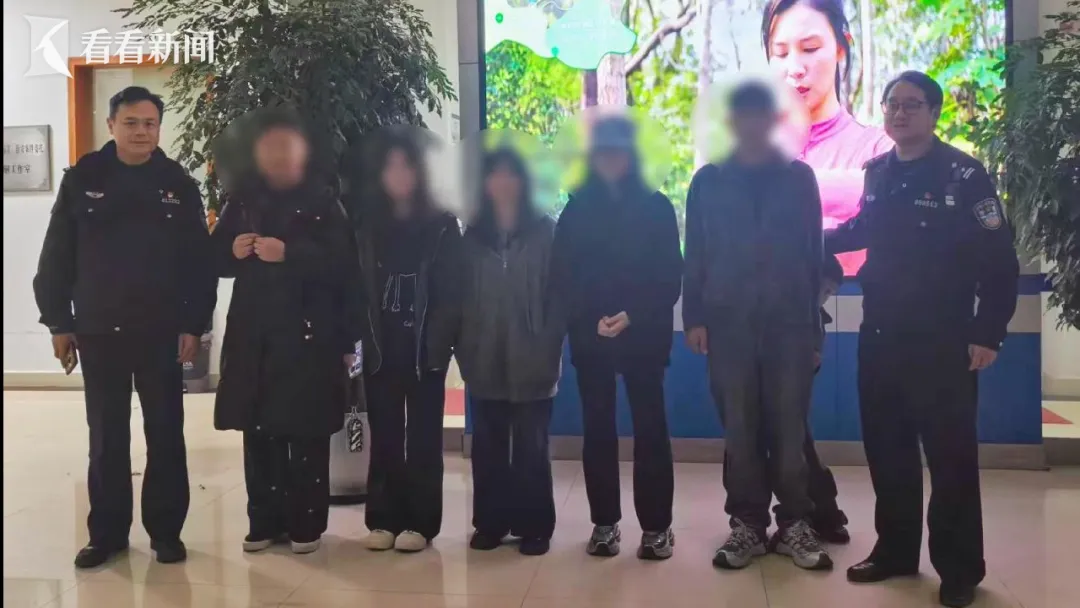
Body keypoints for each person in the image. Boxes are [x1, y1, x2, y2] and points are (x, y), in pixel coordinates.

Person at [827, 71, 1019, 608]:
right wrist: (806, 241)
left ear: (934, 113)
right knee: (887, 451)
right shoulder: (877, 173)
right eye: (892, 104)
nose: (899, 113)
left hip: (943, 340)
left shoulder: (964, 174)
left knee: (950, 458)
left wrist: (988, 332)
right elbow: (861, 230)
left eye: (912, 105)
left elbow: (999, 261)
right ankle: (894, 551)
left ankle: (959, 569)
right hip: (881, 335)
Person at [33, 86, 216, 568]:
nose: (141, 132)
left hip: (162, 331)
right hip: (99, 329)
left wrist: (194, 324)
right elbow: (57, 256)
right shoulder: (83, 179)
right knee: (106, 437)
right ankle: (107, 534)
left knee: (166, 434)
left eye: (149, 123)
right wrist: (59, 322)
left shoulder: (177, 184)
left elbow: (199, 262)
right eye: (131, 123)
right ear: (111, 125)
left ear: (159, 128)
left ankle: (166, 533)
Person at [683, 81, 831, 571]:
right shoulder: (708, 181)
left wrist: (813, 331)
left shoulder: (799, 178)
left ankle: (794, 524)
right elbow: (696, 253)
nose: (751, 124)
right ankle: (746, 523)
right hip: (728, 326)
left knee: (789, 431)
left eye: (759, 115)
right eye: (741, 115)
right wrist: (694, 317)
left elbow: (813, 258)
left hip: (789, 326)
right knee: (740, 430)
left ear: (773, 121)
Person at [211, 110, 362, 555]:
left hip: (309, 336)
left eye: (287, 147)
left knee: (306, 431)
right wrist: (232, 250)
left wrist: (290, 253)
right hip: (254, 335)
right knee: (259, 432)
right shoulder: (242, 202)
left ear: (303, 153)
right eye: (270, 147)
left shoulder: (325, 203)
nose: (278, 155)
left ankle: (306, 525)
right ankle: (263, 522)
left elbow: (344, 270)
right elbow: (214, 260)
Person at [550, 115, 683, 560]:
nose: (610, 159)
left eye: (618, 152)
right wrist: (589, 319)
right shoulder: (576, 209)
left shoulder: (657, 207)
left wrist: (632, 315)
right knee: (598, 429)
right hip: (591, 336)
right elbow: (562, 276)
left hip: (644, 335)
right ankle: (604, 523)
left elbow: (670, 277)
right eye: (602, 152)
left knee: (650, 429)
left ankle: (657, 527)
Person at [352, 128, 463, 553]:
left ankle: (420, 523)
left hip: (424, 349)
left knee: (423, 439)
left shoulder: (441, 224)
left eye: (407, 165)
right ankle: (383, 519)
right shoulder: (366, 223)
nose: (399, 174)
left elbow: (452, 292)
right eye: (391, 166)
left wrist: (442, 342)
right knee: (384, 436)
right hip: (380, 347)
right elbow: (354, 287)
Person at [457, 147, 563, 557]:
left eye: (511, 174)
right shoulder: (472, 237)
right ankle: (491, 523)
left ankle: (535, 526)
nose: (503, 183)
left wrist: (549, 341)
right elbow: (459, 298)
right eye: (494, 175)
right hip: (483, 355)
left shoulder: (546, 231)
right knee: (488, 445)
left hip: (534, 356)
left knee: (532, 448)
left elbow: (560, 297)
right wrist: (465, 346)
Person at [762, 0, 894, 275]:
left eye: (810, 48)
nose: (795, 68)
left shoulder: (880, 148)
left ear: (841, 48)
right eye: (781, 53)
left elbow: (901, 195)